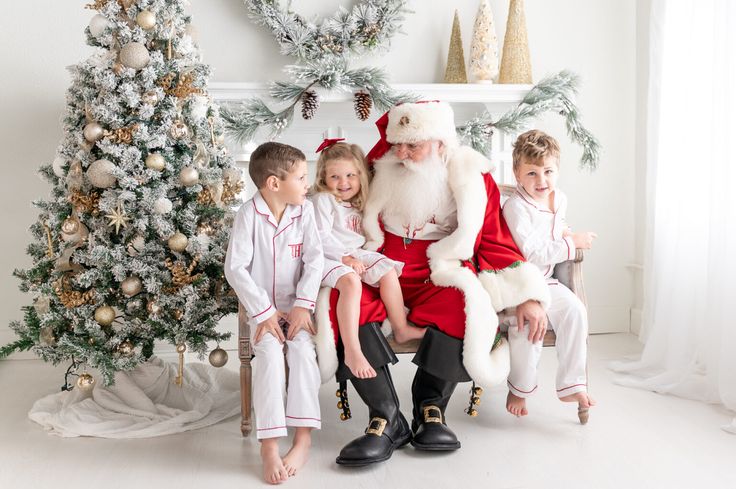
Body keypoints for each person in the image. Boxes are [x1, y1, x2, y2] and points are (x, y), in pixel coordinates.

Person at [313, 101, 550, 467]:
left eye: (414, 145)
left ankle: (429, 409)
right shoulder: (381, 167)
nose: (402, 154)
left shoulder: (471, 176)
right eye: (399, 145)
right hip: (375, 268)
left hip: (435, 273)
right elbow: (338, 209)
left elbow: (492, 237)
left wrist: (526, 296)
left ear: (440, 142)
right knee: (344, 306)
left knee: (463, 308)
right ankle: (386, 418)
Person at [224, 142, 323, 484]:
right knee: (267, 356)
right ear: (273, 183)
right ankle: (269, 445)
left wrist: (303, 305)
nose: (306, 183)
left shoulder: (305, 211)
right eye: (301, 177)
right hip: (262, 308)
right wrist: (264, 312)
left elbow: (315, 260)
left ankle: (303, 439)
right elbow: (235, 268)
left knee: (302, 352)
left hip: (297, 307)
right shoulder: (248, 215)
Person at [501, 129, 597, 422]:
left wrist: (566, 232)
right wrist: (572, 244)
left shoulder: (558, 198)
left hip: (546, 281)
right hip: (519, 282)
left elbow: (556, 227)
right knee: (529, 326)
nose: (541, 181)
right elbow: (531, 252)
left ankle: (571, 383)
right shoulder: (516, 207)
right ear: (517, 174)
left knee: (575, 311)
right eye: (531, 173)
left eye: (548, 171)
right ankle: (520, 387)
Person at [311, 139, 425, 380]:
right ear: (323, 178)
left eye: (350, 175)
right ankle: (353, 350)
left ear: (360, 175)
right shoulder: (324, 200)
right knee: (351, 283)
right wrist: (345, 257)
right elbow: (319, 237)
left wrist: (356, 255)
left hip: (355, 255)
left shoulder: (360, 203)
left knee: (388, 271)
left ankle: (400, 327)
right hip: (327, 256)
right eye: (335, 177)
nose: (343, 183)